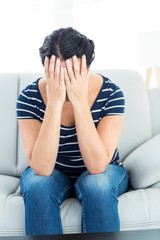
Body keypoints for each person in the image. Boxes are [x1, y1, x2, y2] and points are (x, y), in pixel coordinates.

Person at [16, 27, 129, 236]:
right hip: (52, 171)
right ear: (46, 71)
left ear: (86, 68)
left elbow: (97, 166)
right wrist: (55, 103)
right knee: (38, 185)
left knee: (97, 184)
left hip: (104, 169)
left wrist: (79, 101)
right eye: (58, 75)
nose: (65, 82)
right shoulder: (29, 97)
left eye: (72, 74)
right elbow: (41, 168)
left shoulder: (111, 93)